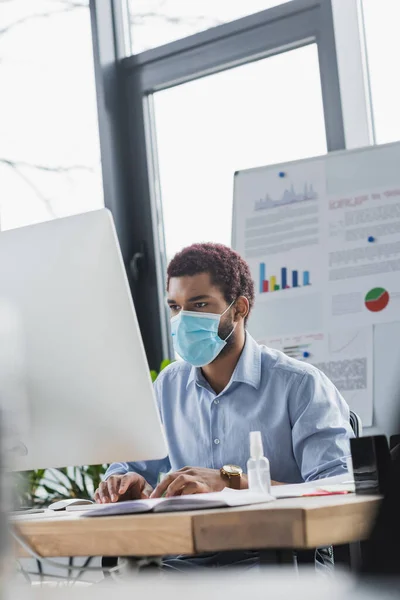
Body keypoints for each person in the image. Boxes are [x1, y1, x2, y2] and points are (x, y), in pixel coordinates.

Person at [95, 243, 352, 568]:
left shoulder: (300, 384)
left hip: (279, 563)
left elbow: (337, 492)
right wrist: (123, 483)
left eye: (199, 305)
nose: (182, 319)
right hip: (183, 564)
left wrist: (232, 481)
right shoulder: (168, 386)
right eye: (175, 307)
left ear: (239, 309)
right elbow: (130, 467)